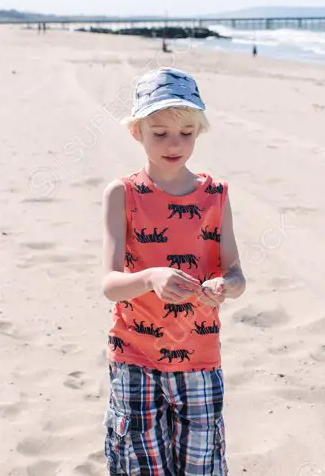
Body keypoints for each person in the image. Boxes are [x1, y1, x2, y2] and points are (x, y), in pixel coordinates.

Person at [101, 66, 247, 475]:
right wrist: (150, 278)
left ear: (199, 130)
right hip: (135, 358)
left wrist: (225, 285)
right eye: (159, 132)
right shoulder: (123, 194)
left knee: (201, 466)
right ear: (136, 132)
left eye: (185, 132)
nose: (173, 143)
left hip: (200, 360)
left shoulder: (215, 195)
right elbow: (110, 285)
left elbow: (236, 274)